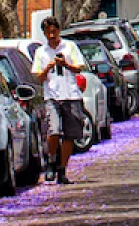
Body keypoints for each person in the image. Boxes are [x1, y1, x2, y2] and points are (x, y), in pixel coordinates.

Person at [30, 17, 88, 185]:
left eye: (54, 31)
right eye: (48, 32)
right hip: (52, 97)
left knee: (70, 135)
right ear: (44, 33)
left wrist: (66, 64)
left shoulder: (70, 46)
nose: (52, 34)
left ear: (59, 30)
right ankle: (51, 160)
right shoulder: (41, 52)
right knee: (53, 130)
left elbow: (79, 67)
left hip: (71, 95)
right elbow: (39, 78)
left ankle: (62, 169)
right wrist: (48, 67)